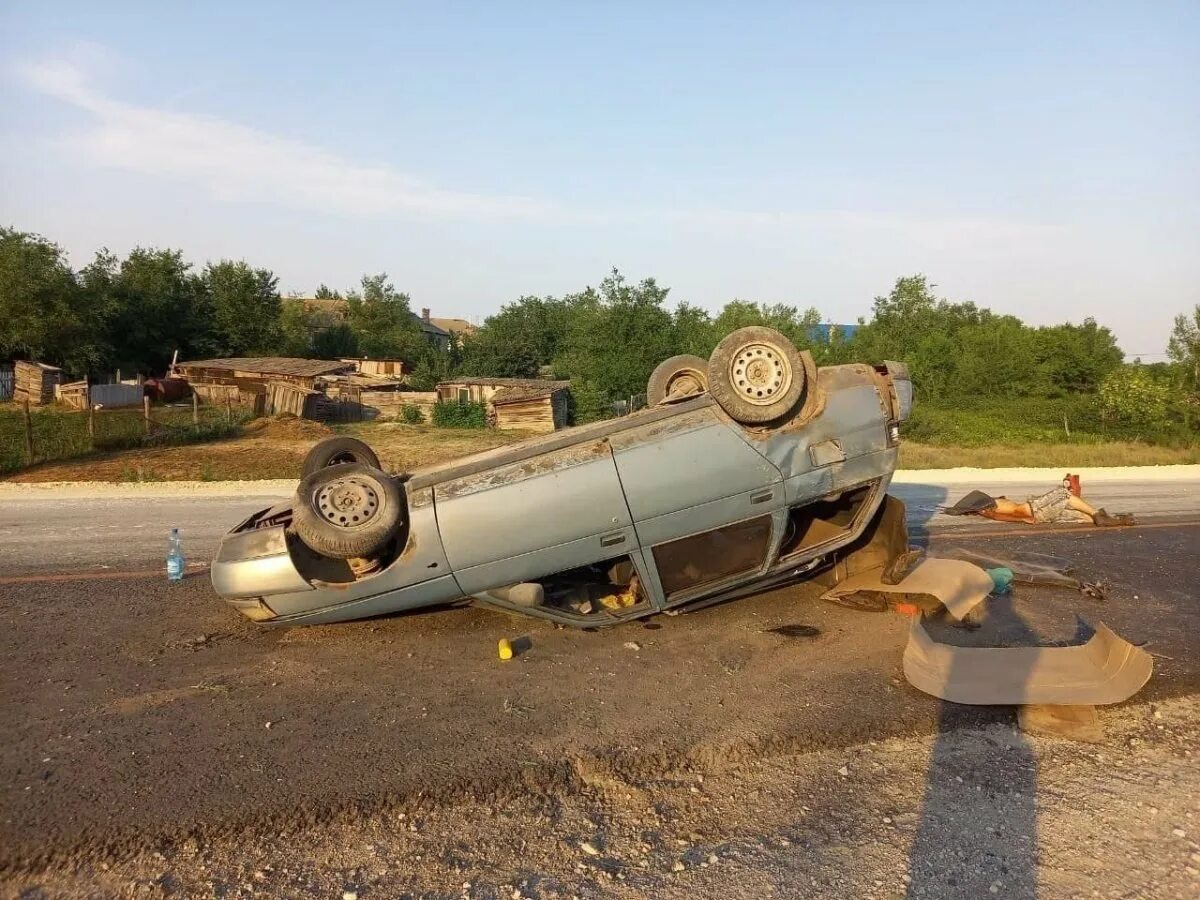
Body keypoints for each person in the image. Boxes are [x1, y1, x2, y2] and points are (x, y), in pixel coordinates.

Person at [944, 475, 1135, 526]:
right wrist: (1024, 518)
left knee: (1078, 515)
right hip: (1034, 509)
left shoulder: (989, 509)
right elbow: (1006, 515)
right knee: (1065, 494)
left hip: (1037, 514)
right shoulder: (987, 509)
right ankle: (1098, 514)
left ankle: (1118, 520)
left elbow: (1005, 514)